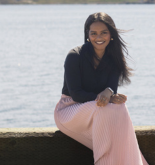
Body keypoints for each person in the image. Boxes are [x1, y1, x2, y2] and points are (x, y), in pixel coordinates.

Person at [54, 12, 149, 165]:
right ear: (87, 35)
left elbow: (111, 87)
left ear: (110, 34)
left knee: (120, 107)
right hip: (69, 110)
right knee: (104, 108)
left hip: (96, 110)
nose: (99, 37)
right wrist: (107, 97)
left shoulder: (114, 58)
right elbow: (76, 95)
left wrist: (110, 93)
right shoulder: (74, 56)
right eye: (94, 33)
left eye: (104, 32)